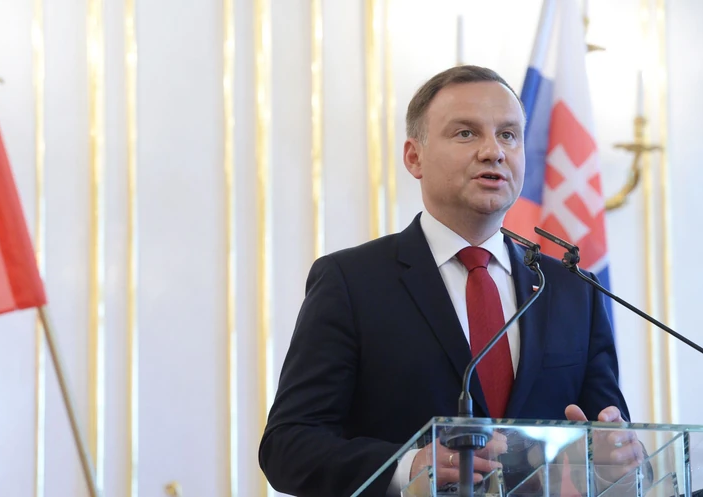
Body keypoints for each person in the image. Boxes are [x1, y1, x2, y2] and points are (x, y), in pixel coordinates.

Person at [258, 65, 643, 497]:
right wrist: (409, 466)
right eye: (465, 133)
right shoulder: (351, 282)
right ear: (414, 157)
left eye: (508, 135)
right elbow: (288, 446)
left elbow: (614, 442)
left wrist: (615, 463)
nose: (493, 152)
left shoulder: (573, 290)